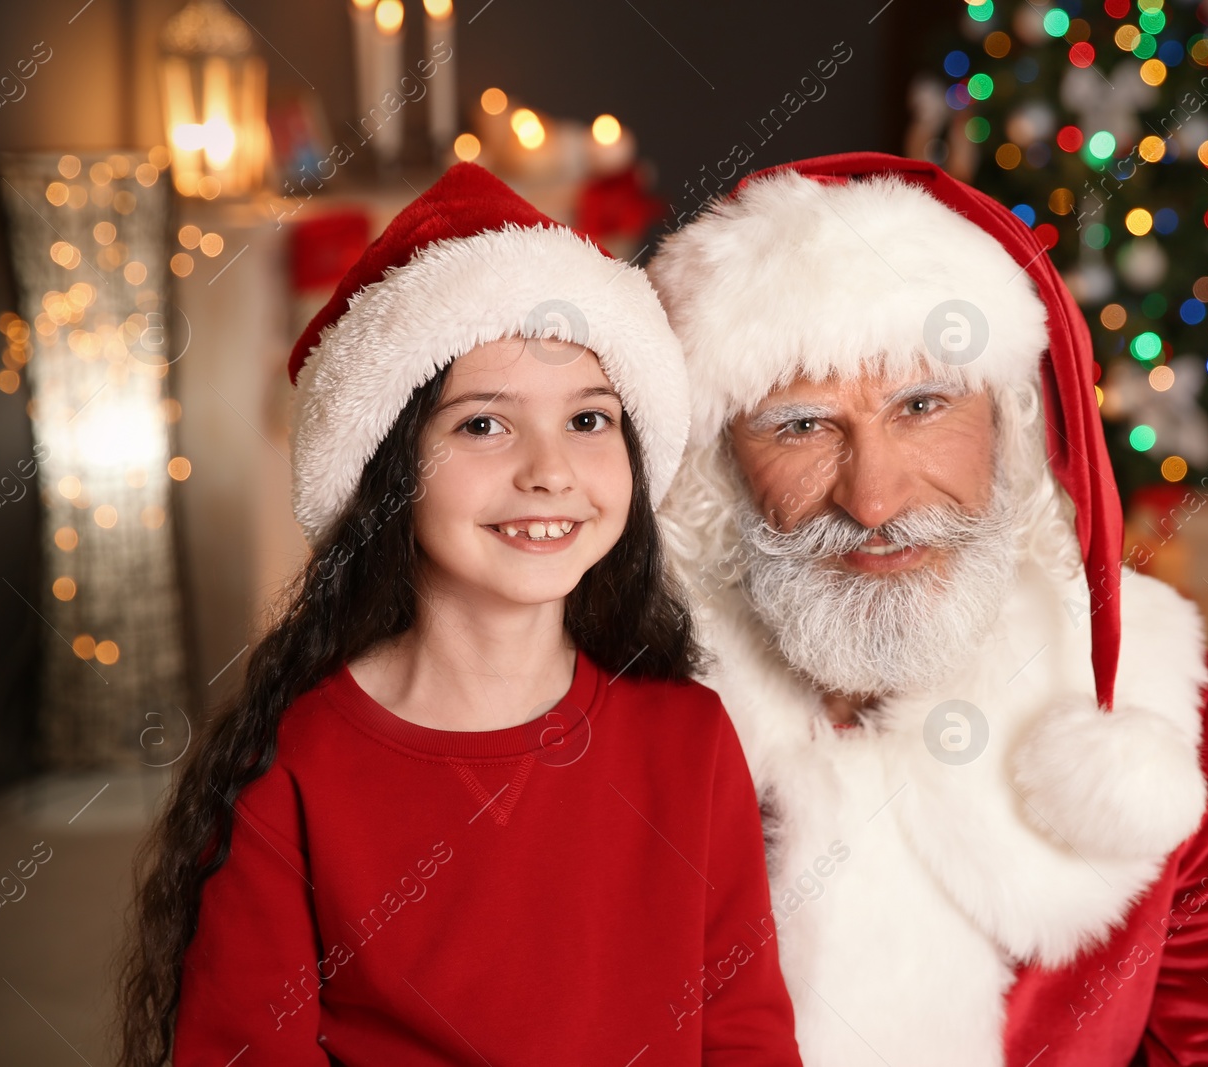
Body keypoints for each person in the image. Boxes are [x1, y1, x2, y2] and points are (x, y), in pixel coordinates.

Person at [648, 152, 1208, 1066]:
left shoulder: (1180, 719)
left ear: (1013, 424)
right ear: (719, 467)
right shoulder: (615, 731)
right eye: (800, 424)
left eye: (923, 404)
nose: (873, 499)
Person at [118, 163, 802, 1067]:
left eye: (589, 420)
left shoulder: (691, 741)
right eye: (484, 424)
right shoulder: (292, 773)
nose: (549, 470)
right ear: (390, 471)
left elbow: (746, 1037)